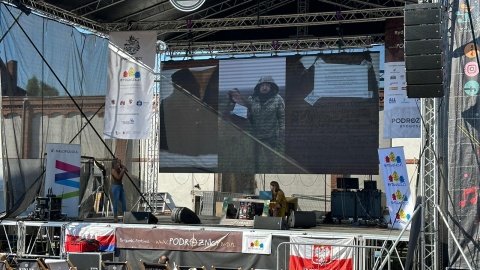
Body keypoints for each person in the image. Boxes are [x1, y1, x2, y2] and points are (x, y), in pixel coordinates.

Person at [229, 76, 285, 171]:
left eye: (267, 85)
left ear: (271, 87)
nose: (264, 87)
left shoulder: (278, 99)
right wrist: (233, 108)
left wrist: (282, 131)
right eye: (262, 85)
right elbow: (245, 114)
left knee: (270, 161)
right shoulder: (252, 99)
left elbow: (282, 117)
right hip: (254, 136)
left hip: (270, 136)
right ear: (259, 87)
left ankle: (270, 173)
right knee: (255, 160)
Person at [111, 158, 127, 222]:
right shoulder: (113, 170)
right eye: (118, 162)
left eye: (119, 162)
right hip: (116, 187)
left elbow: (121, 177)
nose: (119, 164)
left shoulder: (119, 169)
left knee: (124, 202)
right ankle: (115, 216)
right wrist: (122, 171)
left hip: (120, 186)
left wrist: (123, 170)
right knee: (116, 202)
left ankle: (124, 216)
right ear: (114, 163)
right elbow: (118, 177)